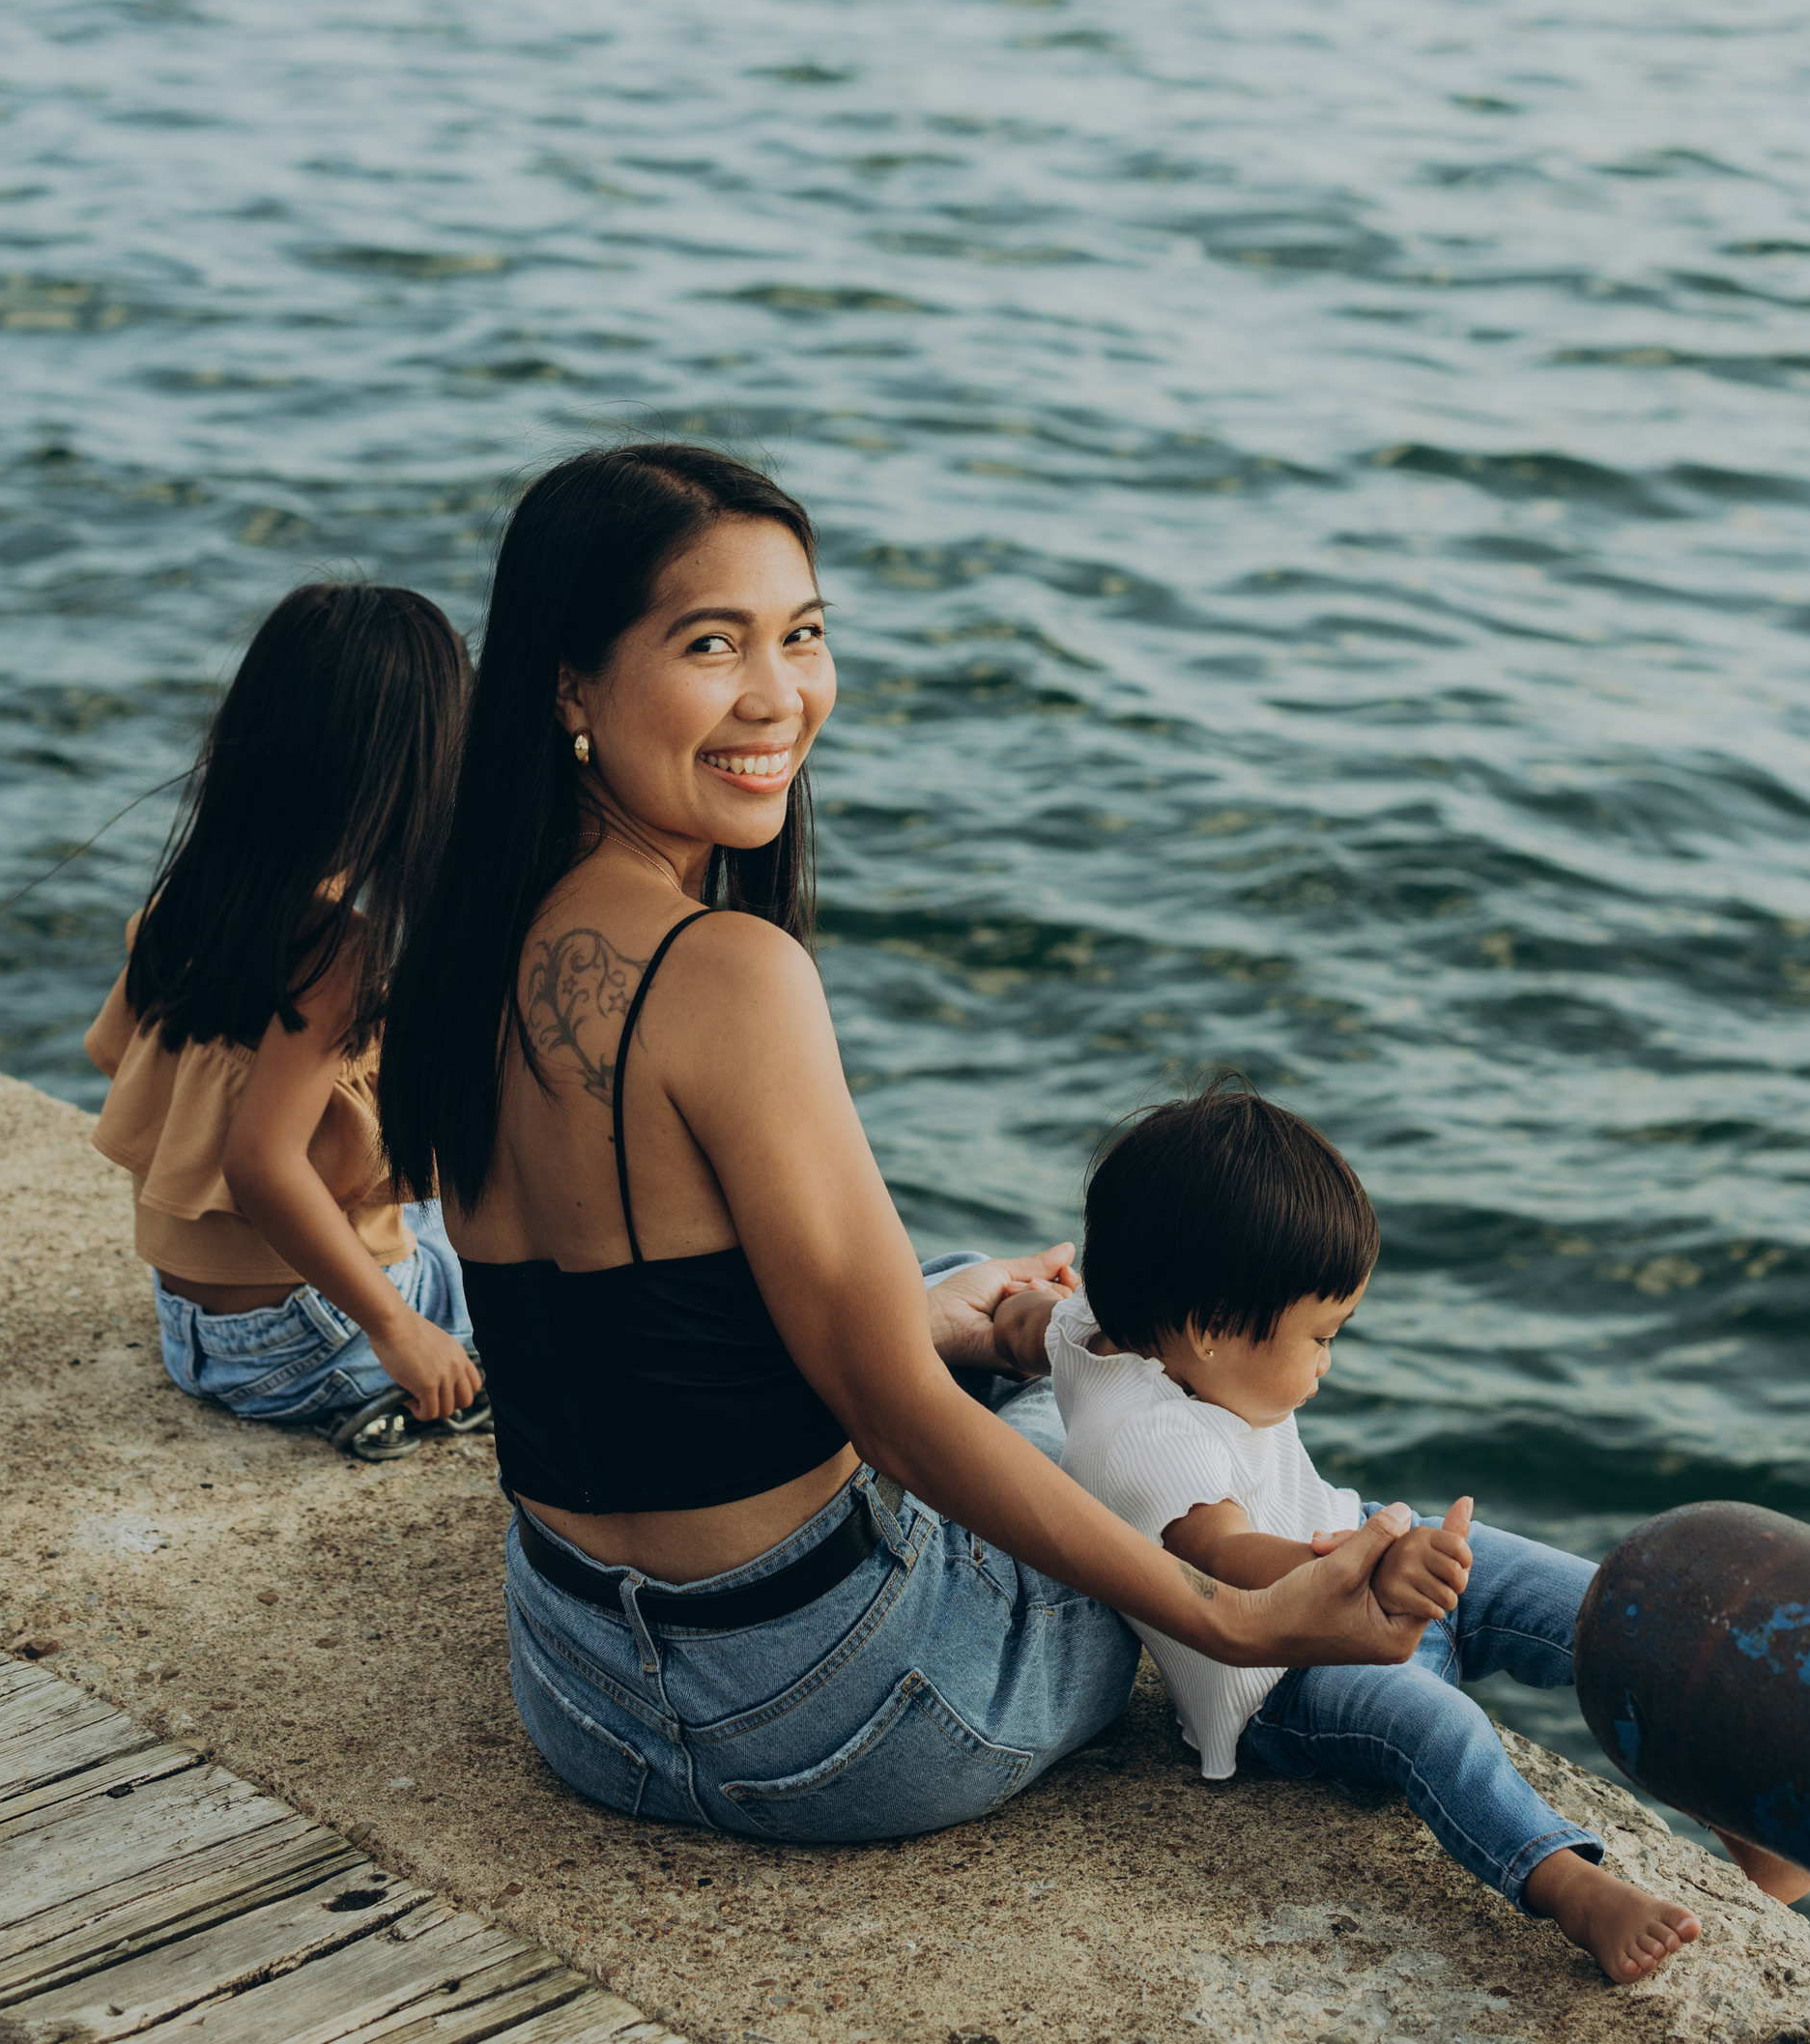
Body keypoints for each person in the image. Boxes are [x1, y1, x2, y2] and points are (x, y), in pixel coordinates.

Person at [376, 441, 1441, 1844]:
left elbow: (624, 1324)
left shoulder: (462, 937)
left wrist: (929, 1319)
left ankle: (971, 1317)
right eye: (712, 644)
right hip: (834, 1722)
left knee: (960, 1299)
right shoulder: (726, 971)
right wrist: (1230, 1615)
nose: (780, 694)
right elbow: (894, 1420)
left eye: (804, 635)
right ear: (570, 683)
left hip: (585, 1689)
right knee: (1111, 1402)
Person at [1027, 1082, 1810, 1982]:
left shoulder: (1099, 1324)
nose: (1328, 1363)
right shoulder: (1148, 1437)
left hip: (1357, 1548)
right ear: (1208, 1328)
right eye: (1321, 1337)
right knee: (1439, 1730)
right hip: (1287, 1678)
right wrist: (1372, 1572)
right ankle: (1571, 1885)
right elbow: (1227, 1559)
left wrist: (1011, 1312)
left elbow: (1044, 1319)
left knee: (1580, 1602)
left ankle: (1731, 1786)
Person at [85, 581, 488, 1464]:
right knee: (519, 1247)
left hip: (195, 1331)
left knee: (431, 1208)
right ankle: (410, 1377)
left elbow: (131, 1072)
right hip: (305, 1347)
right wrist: (395, 1328)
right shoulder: (337, 953)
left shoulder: (191, 901)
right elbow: (261, 1164)